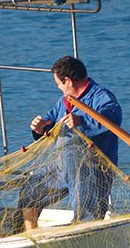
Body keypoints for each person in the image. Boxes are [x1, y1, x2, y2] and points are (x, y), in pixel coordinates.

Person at [20, 55, 122, 231]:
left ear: (68, 81)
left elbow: (112, 119)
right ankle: (30, 234)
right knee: (29, 190)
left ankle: (87, 235)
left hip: (93, 168)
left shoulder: (101, 96)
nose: (59, 88)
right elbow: (50, 120)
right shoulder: (64, 101)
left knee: (88, 213)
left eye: (59, 84)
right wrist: (40, 128)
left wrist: (81, 120)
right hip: (62, 166)